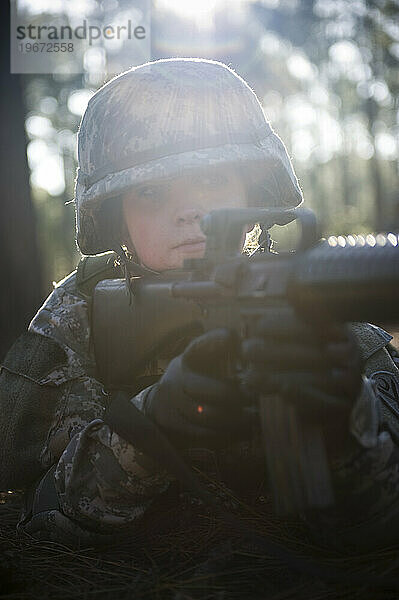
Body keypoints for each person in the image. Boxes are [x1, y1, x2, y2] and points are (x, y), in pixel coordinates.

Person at [1, 58, 399, 553]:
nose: (190, 211)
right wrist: (153, 425)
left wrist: (345, 420)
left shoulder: (318, 302)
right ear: (115, 222)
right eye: (150, 192)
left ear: (254, 190)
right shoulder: (77, 322)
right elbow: (38, 520)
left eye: (212, 181)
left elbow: (383, 526)